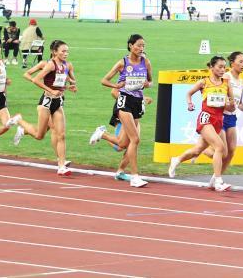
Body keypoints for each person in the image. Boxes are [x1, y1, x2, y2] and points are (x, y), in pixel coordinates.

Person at [88, 34, 152, 188]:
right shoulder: (122, 63)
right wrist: (116, 86)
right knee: (135, 139)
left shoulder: (146, 62)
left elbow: (150, 81)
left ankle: (101, 134)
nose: (141, 48)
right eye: (138, 45)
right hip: (124, 102)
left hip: (137, 102)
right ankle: (135, 176)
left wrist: (146, 84)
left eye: (143, 46)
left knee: (123, 143)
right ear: (130, 45)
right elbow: (104, 80)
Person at [167, 56, 231, 191]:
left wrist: (230, 104)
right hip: (206, 118)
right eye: (219, 66)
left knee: (199, 150)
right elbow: (189, 93)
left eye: (224, 67)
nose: (222, 69)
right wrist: (190, 103)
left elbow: (231, 106)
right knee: (219, 147)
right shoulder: (204, 82)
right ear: (212, 67)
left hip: (218, 120)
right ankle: (218, 181)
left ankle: (176, 160)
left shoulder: (226, 83)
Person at [15, 40, 76, 175]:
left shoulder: (67, 65)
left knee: (61, 134)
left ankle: (61, 166)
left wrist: (69, 86)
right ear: (55, 52)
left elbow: (67, 81)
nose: (66, 53)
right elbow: (36, 79)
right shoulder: (49, 65)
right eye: (63, 51)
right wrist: (51, 90)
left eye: (67, 51)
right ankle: (20, 122)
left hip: (58, 102)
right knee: (39, 135)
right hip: (46, 102)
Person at [198, 51, 243, 175]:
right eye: (240, 61)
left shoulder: (242, 82)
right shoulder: (225, 77)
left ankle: (216, 177)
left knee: (232, 151)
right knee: (222, 151)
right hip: (221, 116)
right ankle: (204, 152)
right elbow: (217, 94)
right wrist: (226, 105)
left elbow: (239, 103)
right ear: (232, 63)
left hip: (232, 117)